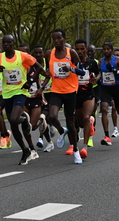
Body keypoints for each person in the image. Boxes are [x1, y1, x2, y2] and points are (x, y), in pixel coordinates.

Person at [0, 35, 46, 165]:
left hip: (20, 92)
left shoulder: (22, 56)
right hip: (6, 94)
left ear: (13, 43)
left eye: (9, 42)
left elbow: (38, 67)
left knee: (14, 119)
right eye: (4, 42)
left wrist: (30, 81)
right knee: (13, 126)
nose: (6, 44)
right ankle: (25, 150)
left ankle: (24, 119)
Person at [42, 29, 85, 164]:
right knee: (51, 116)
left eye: (58, 38)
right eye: (54, 38)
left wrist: (71, 69)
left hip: (71, 92)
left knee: (71, 123)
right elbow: (48, 72)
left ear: (64, 39)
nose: (56, 41)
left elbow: (82, 71)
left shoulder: (70, 53)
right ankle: (61, 131)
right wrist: (42, 86)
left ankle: (76, 151)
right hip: (56, 91)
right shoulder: (49, 53)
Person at [98, 42, 119, 147]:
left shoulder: (117, 60)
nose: (106, 51)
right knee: (104, 109)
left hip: (116, 88)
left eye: (108, 49)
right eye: (104, 49)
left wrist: (114, 70)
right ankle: (107, 136)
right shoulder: (101, 61)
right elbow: (99, 73)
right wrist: (96, 79)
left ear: (111, 50)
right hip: (104, 88)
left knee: (118, 109)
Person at [74, 39, 99, 159]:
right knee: (81, 123)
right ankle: (90, 124)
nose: (79, 51)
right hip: (76, 95)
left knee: (86, 117)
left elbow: (98, 73)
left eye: (82, 49)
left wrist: (96, 79)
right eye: (77, 49)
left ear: (86, 50)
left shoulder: (92, 63)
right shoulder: (73, 63)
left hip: (88, 94)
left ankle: (84, 147)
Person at [32, 45, 54, 153]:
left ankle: (43, 137)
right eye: (36, 53)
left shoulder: (48, 62)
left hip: (50, 92)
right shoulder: (32, 64)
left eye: (40, 52)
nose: (38, 55)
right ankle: (48, 141)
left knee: (45, 117)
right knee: (42, 118)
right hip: (39, 95)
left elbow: (49, 76)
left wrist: (42, 87)